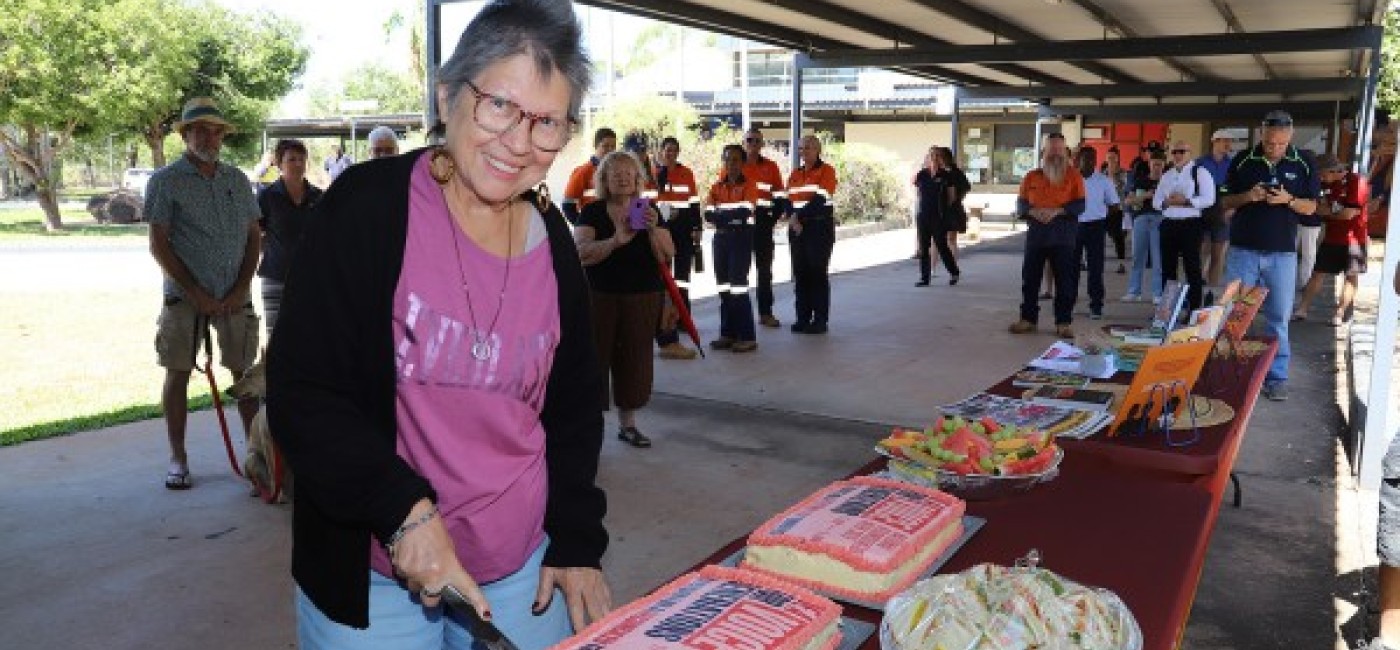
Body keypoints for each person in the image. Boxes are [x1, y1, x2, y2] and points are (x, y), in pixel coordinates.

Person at [266, 1, 613, 645]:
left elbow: (573, 408)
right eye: (500, 106)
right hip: (375, 571)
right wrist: (403, 512)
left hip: (523, 571)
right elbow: (302, 392)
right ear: (449, 93)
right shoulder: (366, 210)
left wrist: (575, 536)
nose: (518, 143)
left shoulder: (553, 242)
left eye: (547, 123)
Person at [145, 96, 262, 491]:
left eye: (215, 130)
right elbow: (159, 243)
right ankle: (178, 458)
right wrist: (195, 292)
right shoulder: (165, 181)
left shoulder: (236, 180)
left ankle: (255, 456)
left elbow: (253, 237)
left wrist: (241, 286)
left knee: (245, 376)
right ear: (185, 135)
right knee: (177, 372)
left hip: (234, 296)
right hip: (184, 298)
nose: (208, 137)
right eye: (199, 129)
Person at [575, 151, 675, 448]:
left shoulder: (647, 210)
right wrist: (616, 240)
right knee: (594, 361)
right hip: (599, 298)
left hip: (642, 297)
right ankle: (587, 431)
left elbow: (668, 254)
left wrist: (654, 228)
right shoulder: (592, 212)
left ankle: (628, 425)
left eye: (627, 173)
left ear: (637, 179)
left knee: (635, 360)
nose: (621, 177)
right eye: (614, 173)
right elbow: (580, 253)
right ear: (604, 179)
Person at [1219, 109, 1319, 402]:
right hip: (1243, 250)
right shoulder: (1242, 159)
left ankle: (1276, 378)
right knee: (1234, 315)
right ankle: (1228, 374)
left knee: (1278, 318)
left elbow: (1312, 208)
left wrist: (1288, 200)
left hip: (1283, 254)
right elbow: (1225, 200)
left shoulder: (1304, 161)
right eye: (1269, 142)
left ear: (1290, 136)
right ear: (1261, 134)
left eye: (1280, 143)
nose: (1274, 148)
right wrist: (1248, 197)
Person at [1009, 133, 1085, 339]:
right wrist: (1033, 212)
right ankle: (1028, 319)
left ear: (1065, 152)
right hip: (1037, 234)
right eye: (1051, 150)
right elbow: (1021, 204)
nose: (1055, 154)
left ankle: (1063, 322)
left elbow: (1080, 205)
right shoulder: (1031, 176)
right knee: (1030, 278)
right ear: (1044, 152)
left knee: (1065, 280)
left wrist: (1057, 211)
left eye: (1059, 150)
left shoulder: (1074, 176)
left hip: (1063, 236)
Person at [255, 138, 323, 335]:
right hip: (275, 277)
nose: (298, 164)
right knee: (276, 335)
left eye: (302, 159)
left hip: (311, 278)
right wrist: (272, 252)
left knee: (310, 334)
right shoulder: (267, 196)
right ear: (279, 163)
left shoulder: (319, 197)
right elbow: (255, 234)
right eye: (291, 159)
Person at [1294, 154, 1368, 325]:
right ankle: (1302, 309)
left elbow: (1349, 213)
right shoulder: (1325, 185)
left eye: (1322, 174)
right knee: (1317, 273)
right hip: (1332, 238)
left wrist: (1328, 210)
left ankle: (1339, 313)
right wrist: (1333, 211)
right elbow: (1317, 209)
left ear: (1334, 171)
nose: (1320, 178)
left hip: (1355, 239)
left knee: (1350, 276)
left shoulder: (1356, 182)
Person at [705, 144, 760, 353]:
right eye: (728, 160)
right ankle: (727, 333)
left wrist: (722, 217)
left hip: (741, 240)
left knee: (738, 287)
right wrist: (729, 216)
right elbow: (708, 214)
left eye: (736, 160)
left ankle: (747, 336)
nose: (731, 164)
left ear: (743, 163)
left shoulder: (750, 185)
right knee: (724, 288)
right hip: (721, 240)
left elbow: (746, 211)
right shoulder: (716, 186)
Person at [653, 136, 702, 360]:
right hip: (661, 230)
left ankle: (684, 319)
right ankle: (664, 322)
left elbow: (694, 203)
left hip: (682, 231)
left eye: (674, 150)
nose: (671, 153)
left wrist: (697, 227)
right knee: (663, 279)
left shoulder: (686, 173)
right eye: (667, 149)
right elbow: (646, 201)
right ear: (661, 152)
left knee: (683, 278)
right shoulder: (652, 173)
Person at [1153, 140, 1215, 313]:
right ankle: (1168, 312)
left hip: (1190, 224)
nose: (1178, 155)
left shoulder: (1200, 172)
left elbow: (1209, 199)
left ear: (1189, 153)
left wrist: (1186, 201)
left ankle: (1194, 309)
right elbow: (1156, 202)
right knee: (1168, 269)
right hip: (1169, 224)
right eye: (1174, 152)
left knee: (1192, 268)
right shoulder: (1167, 175)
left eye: (1182, 151)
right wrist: (1167, 202)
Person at [786, 135, 839, 334]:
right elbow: (786, 199)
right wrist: (793, 217)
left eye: (808, 148)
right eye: (801, 148)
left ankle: (820, 320)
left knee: (817, 273)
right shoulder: (795, 174)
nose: (804, 152)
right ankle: (802, 318)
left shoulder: (827, 171)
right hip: (797, 229)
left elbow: (820, 199)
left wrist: (797, 217)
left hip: (818, 228)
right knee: (800, 274)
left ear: (818, 150)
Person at [742, 128, 788, 328]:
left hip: (762, 225)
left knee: (764, 271)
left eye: (756, 140)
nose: (753, 143)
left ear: (761, 144)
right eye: (749, 140)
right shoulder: (733, 165)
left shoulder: (770, 167)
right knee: (739, 272)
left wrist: (772, 219)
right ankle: (740, 317)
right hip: (741, 226)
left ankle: (766, 313)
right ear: (744, 143)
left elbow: (779, 197)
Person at [1074, 146, 1120, 320]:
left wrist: (1102, 214)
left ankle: (1096, 305)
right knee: (1071, 267)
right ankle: (1069, 302)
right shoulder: (1072, 179)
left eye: (1093, 159)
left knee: (1096, 267)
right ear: (1079, 160)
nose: (1090, 162)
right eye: (1086, 159)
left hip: (1096, 227)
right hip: (1074, 226)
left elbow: (1114, 204)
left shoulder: (1104, 181)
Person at [1123, 150, 1167, 303]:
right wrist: (1146, 196)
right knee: (1137, 257)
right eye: (1154, 164)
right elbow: (1128, 201)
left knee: (1158, 258)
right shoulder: (1140, 181)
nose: (1157, 168)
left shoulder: (1168, 181)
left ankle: (1158, 293)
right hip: (1141, 218)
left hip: (1160, 219)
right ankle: (1134, 291)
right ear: (1149, 164)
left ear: (1164, 165)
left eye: (1160, 165)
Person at [913, 146, 961, 285]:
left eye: (936, 156)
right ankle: (924, 278)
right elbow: (918, 194)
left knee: (941, 245)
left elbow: (951, 196)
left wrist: (943, 210)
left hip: (939, 217)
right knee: (924, 247)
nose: (933, 159)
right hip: (923, 216)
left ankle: (954, 272)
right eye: (931, 156)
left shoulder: (946, 176)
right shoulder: (922, 174)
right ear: (927, 159)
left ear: (940, 159)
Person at [1197, 130, 1235, 300]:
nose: (1228, 145)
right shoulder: (1200, 163)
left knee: (1218, 254)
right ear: (1215, 142)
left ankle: (1211, 291)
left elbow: (1237, 188)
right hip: (1202, 210)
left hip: (1223, 209)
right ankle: (1196, 285)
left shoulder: (1233, 164)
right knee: (1201, 251)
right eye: (1225, 141)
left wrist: (1233, 208)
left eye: (1230, 141)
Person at [562, 127, 616, 224]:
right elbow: (568, 207)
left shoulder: (618, 172)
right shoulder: (583, 172)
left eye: (613, 146)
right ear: (595, 146)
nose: (610, 150)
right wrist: (583, 227)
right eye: (605, 146)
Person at [1102, 146, 1130, 274]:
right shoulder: (1102, 173)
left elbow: (1119, 188)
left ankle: (1121, 263)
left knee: (1118, 237)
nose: (1111, 160)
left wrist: (1112, 174)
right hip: (1102, 210)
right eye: (1108, 157)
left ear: (1118, 159)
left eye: (1113, 158)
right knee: (1098, 236)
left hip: (1117, 209)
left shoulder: (1123, 173)